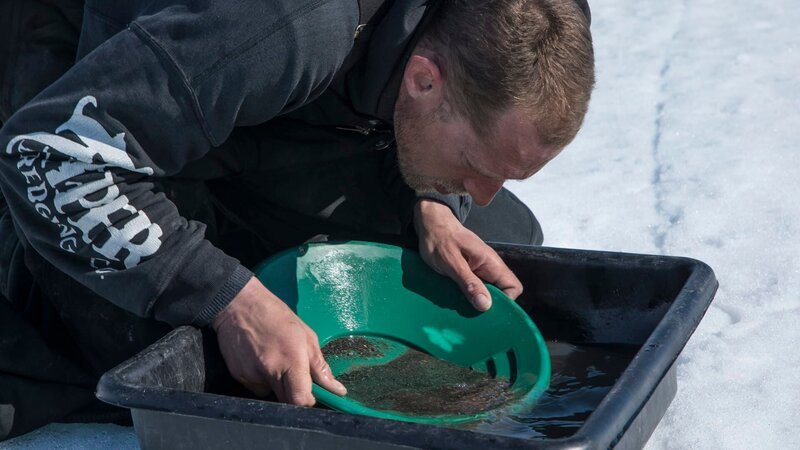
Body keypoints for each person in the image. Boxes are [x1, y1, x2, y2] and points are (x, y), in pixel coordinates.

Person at [0, 0, 594, 440]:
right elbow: (49, 153)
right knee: (182, 356)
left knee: (499, 239)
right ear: (422, 79)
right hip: (88, 85)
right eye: (477, 167)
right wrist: (230, 301)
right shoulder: (283, 27)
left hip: (258, 99)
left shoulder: (528, 17)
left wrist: (435, 201)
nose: (483, 194)